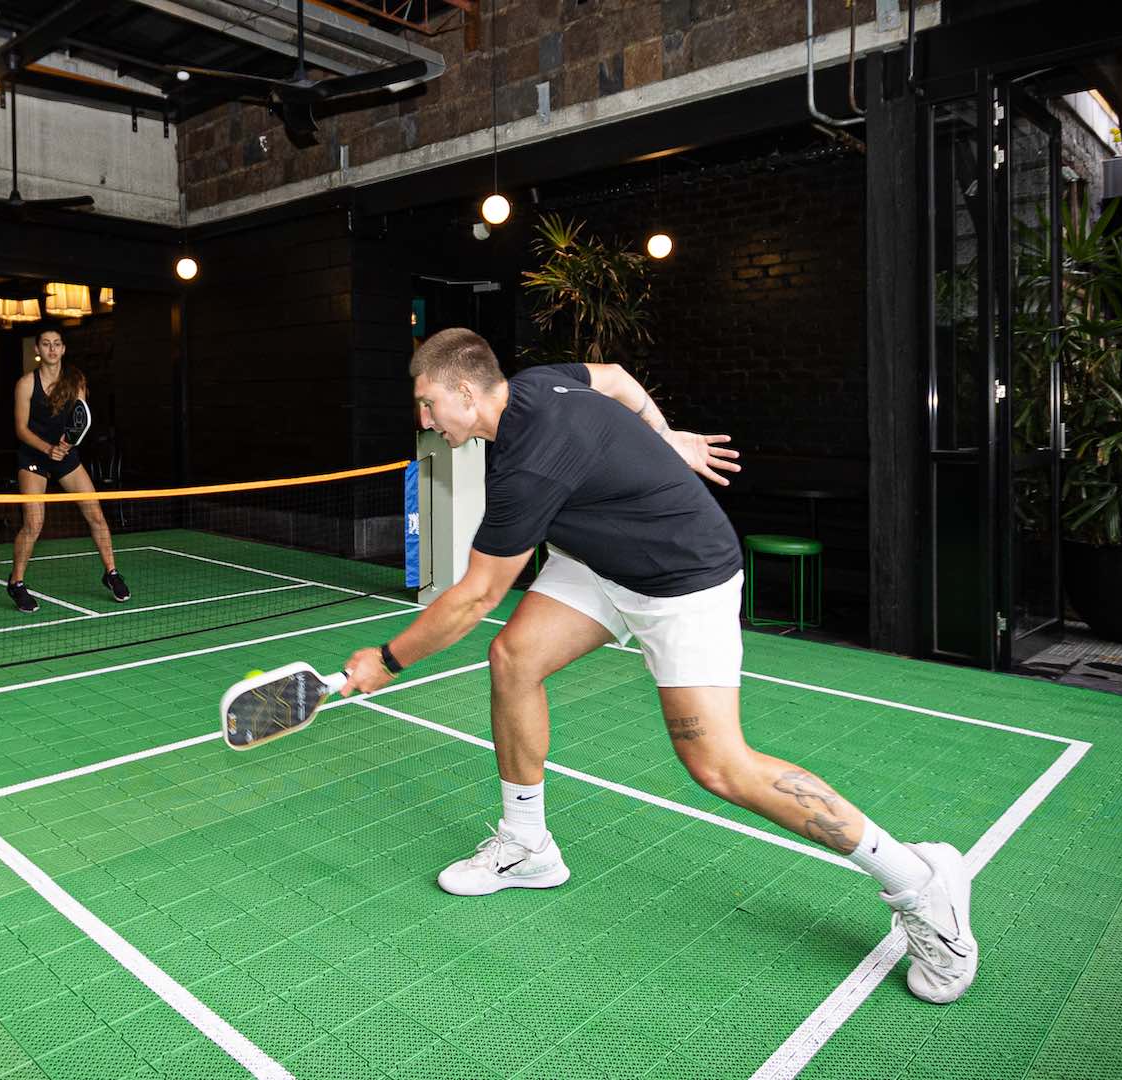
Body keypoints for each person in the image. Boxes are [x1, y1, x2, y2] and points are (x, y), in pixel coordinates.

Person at [339, 328, 978, 1005]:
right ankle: (527, 847)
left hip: (682, 578)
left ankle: (918, 879)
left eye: (429, 404)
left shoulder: (530, 462)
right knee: (515, 658)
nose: (425, 420)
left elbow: (474, 598)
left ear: (466, 391)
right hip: (601, 561)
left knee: (719, 766)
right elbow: (612, 375)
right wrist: (663, 436)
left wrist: (388, 660)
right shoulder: (533, 385)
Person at [7, 329, 129, 610]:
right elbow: (21, 429)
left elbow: (79, 422)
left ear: (63, 349)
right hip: (33, 456)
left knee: (96, 514)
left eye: (57, 344)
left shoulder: (75, 382)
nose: (52, 349)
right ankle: (17, 583)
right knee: (34, 523)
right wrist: (47, 449)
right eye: (46, 344)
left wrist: (63, 445)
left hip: (65, 453)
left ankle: (111, 573)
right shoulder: (26, 384)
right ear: (38, 349)